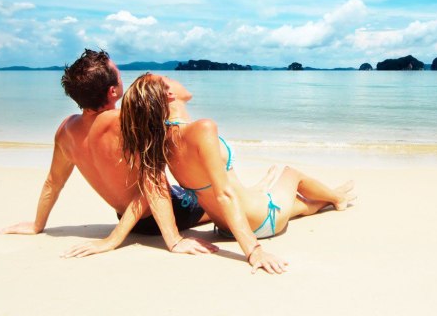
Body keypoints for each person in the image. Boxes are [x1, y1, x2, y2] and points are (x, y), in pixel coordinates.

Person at [110, 73, 356, 274]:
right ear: (169, 94)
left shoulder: (162, 140)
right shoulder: (201, 129)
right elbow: (224, 194)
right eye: (168, 78)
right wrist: (254, 251)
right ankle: (337, 198)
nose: (175, 79)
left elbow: (153, 190)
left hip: (226, 226)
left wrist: (162, 239)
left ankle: (330, 197)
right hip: (257, 221)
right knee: (286, 171)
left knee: (284, 190)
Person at [0, 49, 217, 257]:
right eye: (120, 76)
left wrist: (37, 225)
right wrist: (173, 240)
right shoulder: (124, 121)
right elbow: (154, 181)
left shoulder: (66, 130)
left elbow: (53, 182)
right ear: (113, 91)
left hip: (128, 216)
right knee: (232, 198)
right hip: (169, 212)